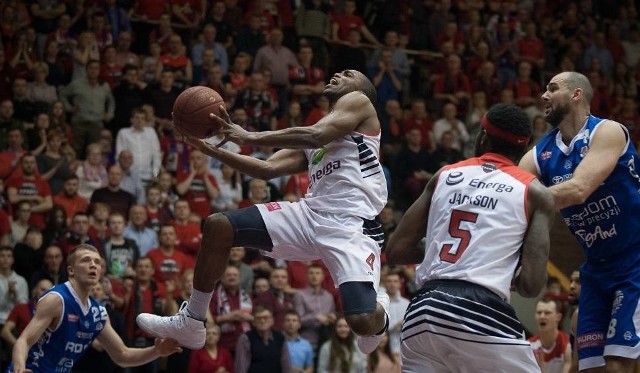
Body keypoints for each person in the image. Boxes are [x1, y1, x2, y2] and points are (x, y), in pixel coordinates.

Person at [136, 69, 390, 354]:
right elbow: (266, 169)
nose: (338, 74)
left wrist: (247, 135)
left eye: (349, 74)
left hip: (352, 226)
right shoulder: (315, 139)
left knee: (361, 321)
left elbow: (316, 135)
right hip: (309, 216)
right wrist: (207, 149)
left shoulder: (359, 102)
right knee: (219, 226)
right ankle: (192, 320)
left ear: (363, 89)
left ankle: (380, 309)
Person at [386, 103, 555, 372]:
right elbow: (532, 285)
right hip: (480, 311)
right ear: (524, 149)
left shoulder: (444, 175)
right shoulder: (535, 192)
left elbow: (396, 250)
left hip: (423, 311)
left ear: (483, 137)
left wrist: (442, 248)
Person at [518, 71, 640, 372]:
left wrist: (519, 199)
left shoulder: (608, 131)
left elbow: (580, 189)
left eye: (552, 89)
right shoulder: (538, 155)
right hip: (595, 269)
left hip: (635, 260)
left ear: (576, 95)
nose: (543, 96)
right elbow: (515, 199)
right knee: (589, 368)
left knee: (617, 365)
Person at [8, 244, 181, 373]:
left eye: (97, 262)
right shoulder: (56, 300)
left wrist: (156, 351)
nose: (93, 265)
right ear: (71, 270)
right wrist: (19, 368)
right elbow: (24, 341)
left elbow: (122, 355)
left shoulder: (98, 313)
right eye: (86, 260)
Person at [234, 306, 291, 373]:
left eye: (265, 318)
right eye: (258, 318)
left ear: (272, 321)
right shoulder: (245, 339)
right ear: (254, 322)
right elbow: (241, 369)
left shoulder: (281, 338)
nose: (262, 321)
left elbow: (286, 367)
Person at [529, 297, 572, 373]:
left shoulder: (568, 344)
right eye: (539, 312)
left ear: (558, 317)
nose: (542, 316)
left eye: (547, 313)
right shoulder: (529, 346)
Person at [568, 270, 581, 373]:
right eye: (571, 281)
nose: (571, 286)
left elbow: (576, 364)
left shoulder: (579, 313)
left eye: (578, 282)